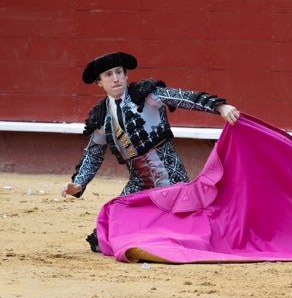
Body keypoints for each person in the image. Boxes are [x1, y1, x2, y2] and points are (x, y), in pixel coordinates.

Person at [61, 52, 240, 252]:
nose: (116, 78)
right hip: (139, 182)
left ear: (126, 75)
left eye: (119, 72)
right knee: (104, 239)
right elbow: (93, 154)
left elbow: (182, 98)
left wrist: (218, 106)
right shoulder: (100, 115)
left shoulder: (145, 94)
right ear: (99, 83)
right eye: (108, 75)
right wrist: (79, 183)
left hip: (171, 178)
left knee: (186, 236)